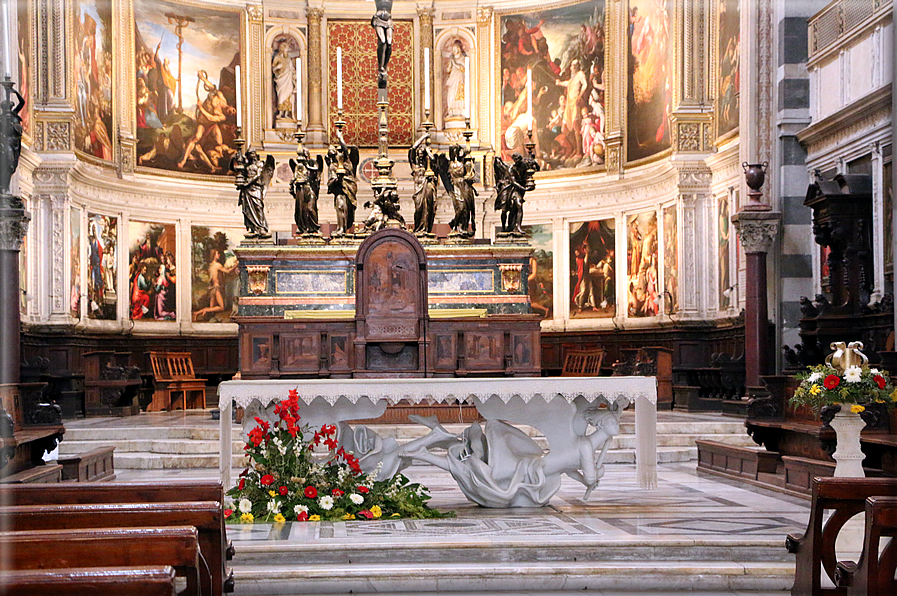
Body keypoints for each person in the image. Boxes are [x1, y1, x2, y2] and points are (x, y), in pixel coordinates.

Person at [232, 149, 274, 239]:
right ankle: (252, 229)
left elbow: (258, 175)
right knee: (247, 209)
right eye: (250, 154)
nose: (252, 155)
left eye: (253, 154)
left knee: (258, 207)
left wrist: (247, 183)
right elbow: (233, 168)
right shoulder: (246, 165)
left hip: (256, 188)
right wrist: (234, 158)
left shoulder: (259, 164)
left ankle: (261, 227)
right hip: (247, 190)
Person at [326, 130, 359, 236]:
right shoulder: (332, 167)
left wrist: (341, 139)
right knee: (340, 206)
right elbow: (330, 181)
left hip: (349, 186)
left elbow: (345, 149)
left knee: (348, 209)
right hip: (339, 189)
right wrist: (337, 180)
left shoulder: (347, 162)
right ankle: (340, 228)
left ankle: (345, 227)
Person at [193, 248, 239, 321]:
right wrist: (235, 265)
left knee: (212, 308)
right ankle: (199, 312)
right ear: (214, 255)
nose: (219, 255)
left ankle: (201, 314)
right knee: (221, 307)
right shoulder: (217, 265)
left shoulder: (210, 266)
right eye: (217, 253)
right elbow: (227, 271)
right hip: (216, 288)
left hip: (212, 287)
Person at [408, 133, 437, 234]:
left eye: (422, 152)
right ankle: (418, 228)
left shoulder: (427, 167)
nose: (420, 153)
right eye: (419, 151)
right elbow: (413, 147)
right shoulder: (414, 165)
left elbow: (433, 160)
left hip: (426, 187)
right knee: (419, 208)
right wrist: (424, 137)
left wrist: (428, 152)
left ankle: (426, 228)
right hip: (418, 189)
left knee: (428, 208)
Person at [0, 81, 26, 195]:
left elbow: (22, 102)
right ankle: (4, 188)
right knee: (8, 164)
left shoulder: (14, 114)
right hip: (7, 143)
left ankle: (6, 188)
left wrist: (15, 92)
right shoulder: (2, 119)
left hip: (16, 144)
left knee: (13, 166)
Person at [290, 149, 323, 235]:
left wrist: (306, 165)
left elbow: (316, 169)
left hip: (310, 189)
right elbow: (295, 177)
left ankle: (315, 227)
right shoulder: (299, 166)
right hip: (301, 189)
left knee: (310, 208)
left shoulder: (312, 162)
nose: (304, 157)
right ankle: (303, 228)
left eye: (305, 155)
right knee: (301, 210)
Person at [370, 0, 393, 88]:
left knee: (389, 43)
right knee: (382, 41)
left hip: (388, 19)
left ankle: (385, 66)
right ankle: (381, 66)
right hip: (378, 18)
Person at [271, 39, 295, 120]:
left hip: (288, 79)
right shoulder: (277, 57)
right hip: (281, 79)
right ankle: (281, 113)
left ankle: (286, 113)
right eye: (286, 49)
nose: (286, 51)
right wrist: (278, 67)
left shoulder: (288, 59)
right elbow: (273, 69)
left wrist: (294, 76)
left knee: (288, 95)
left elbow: (292, 69)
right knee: (281, 95)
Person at [443, 39, 467, 120]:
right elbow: (448, 70)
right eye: (453, 48)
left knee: (459, 95)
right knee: (451, 95)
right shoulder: (451, 59)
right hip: (452, 79)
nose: (454, 49)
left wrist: (455, 64)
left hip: (459, 79)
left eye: (455, 47)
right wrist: (450, 65)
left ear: (459, 48)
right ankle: (451, 111)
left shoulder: (463, 58)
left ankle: (461, 112)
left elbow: (464, 69)